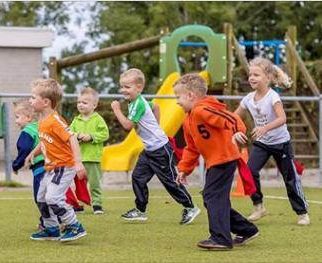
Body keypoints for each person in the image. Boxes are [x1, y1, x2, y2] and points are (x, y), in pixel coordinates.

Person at [174, 73, 259, 250]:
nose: (176, 101)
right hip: (216, 161)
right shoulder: (188, 120)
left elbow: (231, 118)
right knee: (211, 197)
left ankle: (221, 238)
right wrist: (184, 169)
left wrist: (237, 131)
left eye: (178, 97)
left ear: (190, 95)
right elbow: (192, 148)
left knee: (212, 197)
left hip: (225, 158)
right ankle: (246, 229)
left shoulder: (202, 109)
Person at [111, 68, 200, 224]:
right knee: (138, 177)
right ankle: (140, 210)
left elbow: (127, 125)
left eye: (127, 87)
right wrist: (157, 125)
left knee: (170, 181)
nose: (123, 90)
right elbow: (155, 107)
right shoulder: (135, 101)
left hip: (160, 150)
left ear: (139, 87)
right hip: (150, 150)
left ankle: (190, 207)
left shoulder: (137, 103)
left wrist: (117, 110)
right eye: (122, 86)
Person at [233, 57, 309, 225]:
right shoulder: (248, 99)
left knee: (290, 179)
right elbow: (233, 117)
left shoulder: (273, 97)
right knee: (249, 171)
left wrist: (264, 128)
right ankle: (258, 206)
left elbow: (282, 118)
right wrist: (234, 130)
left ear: (267, 77)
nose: (251, 78)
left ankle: (302, 212)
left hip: (281, 143)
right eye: (250, 74)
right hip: (262, 143)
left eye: (256, 75)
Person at [26, 78, 87, 242]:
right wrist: (33, 152)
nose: (29, 101)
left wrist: (78, 162)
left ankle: (74, 226)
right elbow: (45, 140)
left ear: (45, 102)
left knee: (53, 198)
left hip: (64, 167)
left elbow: (72, 138)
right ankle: (51, 228)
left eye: (33, 97)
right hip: (51, 168)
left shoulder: (55, 121)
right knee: (41, 198)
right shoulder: (41, 120)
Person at [70, 87, 110, 214]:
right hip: (79, 159)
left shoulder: (98, 119)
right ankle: (79, 204)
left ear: (94, 105)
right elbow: (69, 134)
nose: (81, 105)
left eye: (84, 102)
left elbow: (105, 134)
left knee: (94, 183)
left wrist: (91, 137)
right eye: (79, 102)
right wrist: (77, 136)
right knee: (79, 184)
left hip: (93, 158)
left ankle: (97, 204)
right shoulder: (76, 120)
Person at [12, 99, 47, 229]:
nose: (15, 121)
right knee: (50, 196)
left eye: (17, 117)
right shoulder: (42, 127)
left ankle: (49, 223)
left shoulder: (27, 131)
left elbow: (24, 149)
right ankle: (55, 221)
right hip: (53, 165)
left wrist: (16, 165)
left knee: (40, 197)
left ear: (28, 117)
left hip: (40, 167)